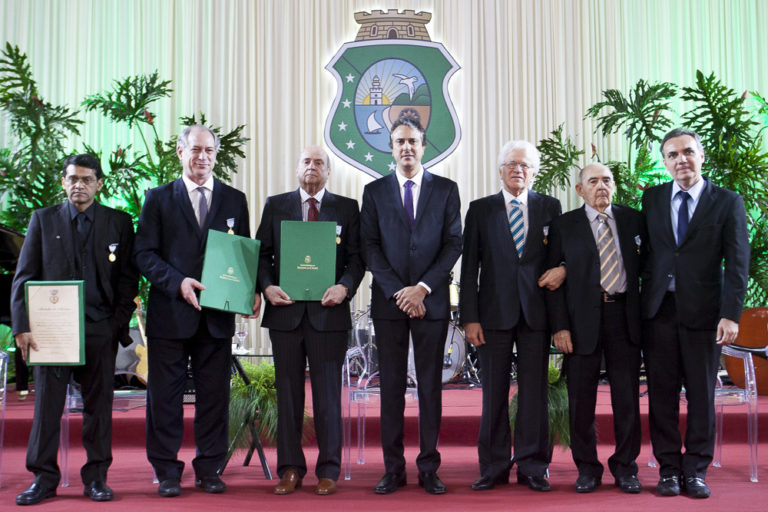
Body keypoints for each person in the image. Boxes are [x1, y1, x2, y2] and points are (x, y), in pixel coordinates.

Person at [133, 125, 259, 497]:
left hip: (217, 317)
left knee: (214, 397)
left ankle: (210, 467)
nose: (202, 157)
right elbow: (144, 253)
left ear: (216, 155)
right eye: (195, 150)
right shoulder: (157, 198)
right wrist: (178, 282)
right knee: (165, 399)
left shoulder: (235, 199)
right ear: (180, 153)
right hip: (170, 314)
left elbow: (241, 254)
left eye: (209, 151)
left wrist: (249, 290)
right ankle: (167, 471)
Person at [11, 153, 138, 505]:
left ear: (99, 183)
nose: (78, 185)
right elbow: (24, 278)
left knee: (99, 406)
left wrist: (116, 325)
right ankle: (43, 478)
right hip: (51, 332)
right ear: (63, 182)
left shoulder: (119, 223)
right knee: (47, 407)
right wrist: (21, 327)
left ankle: (96, 477)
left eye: (86, 179)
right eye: (72, 179)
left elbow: (129, 280)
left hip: (100, 329)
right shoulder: (43, 220)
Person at [642, 128, 749, 499]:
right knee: (662, 396)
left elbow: (737, 263)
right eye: (672, 155)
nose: (680, 160)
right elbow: (648, 256)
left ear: (701, 156)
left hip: (705, 316)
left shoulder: (727, 201)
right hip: (659, 312)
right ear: (665, 162)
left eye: (687, 152)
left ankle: (697, 469)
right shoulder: (652, 198)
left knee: (701, 395)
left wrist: (730, 314)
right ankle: (669, 469)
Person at [360, 118, 462, 495]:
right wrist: (400, 293)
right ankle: (393, 468)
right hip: (390, 305)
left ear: (423, 147)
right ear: (391, 147)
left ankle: (429, 467)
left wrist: (421, 288)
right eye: (399, 141)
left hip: (430, 303)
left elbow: (454, 243)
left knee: (431, 388)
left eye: (413, 142)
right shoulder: (373, 191)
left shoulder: (447, 190)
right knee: (390, 389)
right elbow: (369, 246)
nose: (406, 147)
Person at [256, 146, 364, 496]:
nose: (312, 167)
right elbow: (262, 254)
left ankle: (329, 469)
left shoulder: (347, 208)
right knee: (287, 396)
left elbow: (357, 258)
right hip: (285, 314)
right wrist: (267, 286)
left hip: (328, 315)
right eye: (306, 161)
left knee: (328, 397)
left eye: (319, 163)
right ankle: (289, 469)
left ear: (329, 171)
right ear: (297, 168)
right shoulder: (276, 204)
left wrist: (345, 287)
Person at [459, 140, 562, 492]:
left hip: (536, 315)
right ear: (500, 170)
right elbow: (469, 267)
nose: (518, 170)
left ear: (534, 171)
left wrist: (562, 269)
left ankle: (534, 466)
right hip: (492, 316)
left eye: (524, 165)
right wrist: (469, 318)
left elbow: (559, 258)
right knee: (493, 394)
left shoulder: (551, 207)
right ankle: (493, 466)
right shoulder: (480, 210)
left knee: (533, 394)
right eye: (511, 164)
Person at [545, 163, 644, 494]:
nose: (601, 186)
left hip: (624, 317)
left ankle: (626, 467)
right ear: (579, 190)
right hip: (580, 321)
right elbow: (553, 282)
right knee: (581, 400)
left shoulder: (633, 219)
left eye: (607, 180)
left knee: (627, 399)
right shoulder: (564, 225)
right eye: (593, 181)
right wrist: (560, 328)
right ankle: (587, 468)